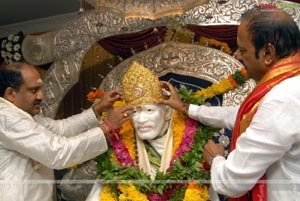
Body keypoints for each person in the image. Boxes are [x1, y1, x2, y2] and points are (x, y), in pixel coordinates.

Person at [158, 6, 300, 201]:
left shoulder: (281, 99)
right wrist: (185, 108)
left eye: (243, 50)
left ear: (268, 52)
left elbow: (230, 182)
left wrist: (215, 158)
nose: (238, 57)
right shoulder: (291, 83)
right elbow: (242, 115)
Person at [0, 62, 134, 201]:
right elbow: (57, 152)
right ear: (11, 94)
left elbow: (61, 130)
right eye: (34, 90)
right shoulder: (6, 118)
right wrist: (107, 126)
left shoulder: (22, 115)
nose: (41, 96)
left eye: (41, 89)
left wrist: (98, 109)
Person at [83, 61, 215, 201]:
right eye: (134, 111)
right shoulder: (119, 147)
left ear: (167, 112)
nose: (140, 119)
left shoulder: (193, 144)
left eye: (149, 110)